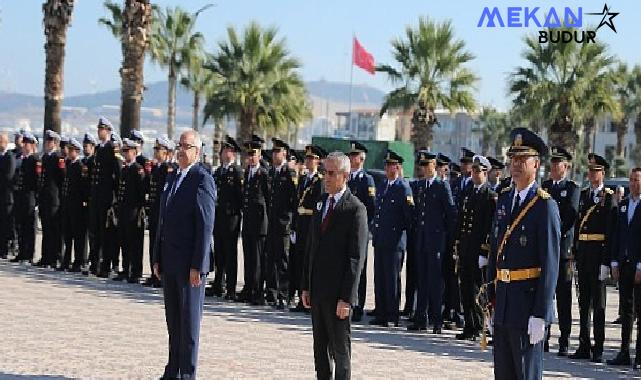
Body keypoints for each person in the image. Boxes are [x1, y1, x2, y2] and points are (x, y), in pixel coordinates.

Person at [487, 128, 560, 379]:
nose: (515, 165)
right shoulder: (505, 199)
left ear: (536, 164)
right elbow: (496, 253)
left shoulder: (545, 206)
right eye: (513, 159)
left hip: (527, 307)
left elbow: (550, 265)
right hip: (504, 304)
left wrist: (541, 314)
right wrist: (490, 300)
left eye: (522, 160)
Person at [153, 130, 216, 379]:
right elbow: (162, 219)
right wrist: (156, 255)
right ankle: (173, 371)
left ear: (197, 152)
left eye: (186, 146)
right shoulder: (173, 177)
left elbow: (205, 225)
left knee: (189, 324)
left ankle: (187, 374)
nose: (180, 150)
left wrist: (198, 266)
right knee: (173, 322)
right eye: (179, 145)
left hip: (189, 265)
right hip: (169, 260)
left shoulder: (202, 179)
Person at [301, 151, 368, 380]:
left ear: (345, 176)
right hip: (318, 291)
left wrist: (347, 298)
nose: (325, 178)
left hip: (338, 296)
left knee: (340, 353)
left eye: (330, 173)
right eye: (323, 173)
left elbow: (355, 258)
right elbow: (311, 248)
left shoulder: (355, 209)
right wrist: (306, 286)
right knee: (319, 351)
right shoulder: (320, 203)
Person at [569, 153, 616, 363]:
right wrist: (575, 254)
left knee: (599, 305)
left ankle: (598, 347)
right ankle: (584, 344)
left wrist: (606, 262)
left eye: (595, 171)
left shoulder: (608, 197)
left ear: (603, 173)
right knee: (583, 303)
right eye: (589, 170)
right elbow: (579, 227)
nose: (591, 174)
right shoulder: (585, 194)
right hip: (584, 256)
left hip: (598, 256)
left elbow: (610, 231)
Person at [408, 151, 456, 334]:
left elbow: (451, 214)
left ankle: (437, 320)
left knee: (435, 282)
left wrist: (446, 238)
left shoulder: (442, 186)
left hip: (436, 241)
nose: (424, 169)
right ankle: (420, 318)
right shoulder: (421, 186)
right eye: (422, 165)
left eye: (427, 165)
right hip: (422, 239)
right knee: (422, 280)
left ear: (434, 165)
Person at [541, 147, 579, 356]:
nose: (554, 167)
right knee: (546, 295)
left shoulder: (572, 188)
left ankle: (564, 340)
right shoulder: (545, 187)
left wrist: (554, 234)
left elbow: (571, 215)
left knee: (563, 298)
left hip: (562, 252)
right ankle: (544, 336)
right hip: (546, 251)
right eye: (553, 164)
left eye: (558, 164)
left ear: (566, 167)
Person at [454, 155, 496, 340]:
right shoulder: (469, 192)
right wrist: (457, 245)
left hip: (478, 249)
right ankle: (469, 325)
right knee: (465, 288)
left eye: (478, 171)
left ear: (486, 173)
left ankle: (480, 325)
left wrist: (484, 251)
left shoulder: (489, 195)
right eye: (473, 171)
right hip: (466, 248)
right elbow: (462, 221)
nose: (475, 174)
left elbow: (490, 226)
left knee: (476, 290)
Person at [371, 150, 414, 327]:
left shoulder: (403, 187)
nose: (388, 168)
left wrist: (398, 232)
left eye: (391, 165)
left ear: (397, 167)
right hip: (380, 238)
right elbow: (378, 210)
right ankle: (381, 312)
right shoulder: (382, 185)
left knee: (391, 279)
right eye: (386, 165)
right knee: (379, 277)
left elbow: (409, 216)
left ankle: (392, 314)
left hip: (395, 240)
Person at [607, 168, 641, 369]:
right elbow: (616, 235)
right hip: (624, 263)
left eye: (637, 180)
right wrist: (614, 262)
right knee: (626, 310)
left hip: (638, 265)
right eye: (632, 180)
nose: (634, 183)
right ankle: (624, 351)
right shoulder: (623, 205)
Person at [290, 144, 326, 312]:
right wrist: (294, 227)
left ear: (318, 161)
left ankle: (309, 299)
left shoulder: (319, 181)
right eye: (307, 158)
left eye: (312, 159)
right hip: (301, 225)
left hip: (311, 224)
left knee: (308, 263)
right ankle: (300, 297)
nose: (309, 161)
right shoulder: (303, 179)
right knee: (299, 263)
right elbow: (297, 204)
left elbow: (318, 207)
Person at [237, 135, 270, 305]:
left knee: (257, 259)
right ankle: (248, 288)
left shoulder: (263, 173)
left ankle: (258, 291)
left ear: (260, 155)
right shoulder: (248, 172)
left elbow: (268, 198)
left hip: (260, 223)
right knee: (248, 258)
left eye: (253, 153)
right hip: (248, 222)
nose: (250, 157)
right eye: (248, 154)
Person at [266, 138, 298, 309]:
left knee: (283, 261)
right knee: (270, 258)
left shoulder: (289, 173)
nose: (274, 154)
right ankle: (271, 293)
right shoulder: (273, 172)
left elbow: (295, 200)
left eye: (277, 151)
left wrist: (292, 224)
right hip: (272, 222)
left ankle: (283, 294)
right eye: (273, 151)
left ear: (284, 153)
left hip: (284, 223)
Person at [210, 136, 243, 300]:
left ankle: (230, 288)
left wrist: (236, 213)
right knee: (219, 253)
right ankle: (218, 283)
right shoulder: (218, 172)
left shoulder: (236, 172)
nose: (223, 153)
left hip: (231, 218)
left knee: (230, 254)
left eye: (227, 150)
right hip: (218, 217)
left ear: (233, 153)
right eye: (223, 150)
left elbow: (241, 196)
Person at [346, 141, 376, 321]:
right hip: (346, 229)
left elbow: (371, 207)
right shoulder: (347, 177)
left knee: (360, 268)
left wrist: (365, 227)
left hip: (360, 230)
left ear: (362, 158)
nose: (351, 158)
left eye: (354, 156)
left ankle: (359, 305)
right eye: (350, 155)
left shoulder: (367, 180)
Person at [113, 139, 145, 283]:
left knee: (134, 243)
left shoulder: (138, 169)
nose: (125, 154)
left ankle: (136, 272)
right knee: (124, 241)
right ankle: (125, 269)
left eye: (127, 151)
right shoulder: (125, 169)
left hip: (133, 211)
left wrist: (140, 210)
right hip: (123, 211)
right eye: (123, 151)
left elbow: (141, 193)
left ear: (134, 152)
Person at [143, 136, 174, 288]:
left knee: (161, 244)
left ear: (166, 152)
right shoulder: (156, 168)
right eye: (155, 149)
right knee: (153, 244)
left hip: (162, 213)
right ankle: (153, 273)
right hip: (154, 212)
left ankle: (161, 275)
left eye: (159, 149)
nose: (156, 152)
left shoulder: (168, 169)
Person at [35, 130, 65, 268]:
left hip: (54, 198)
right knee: (46, 229)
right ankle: (46, 256)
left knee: (54, 229)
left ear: (55, 143)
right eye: (46, 141)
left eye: (50, 141)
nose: (47, 143)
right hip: (44, 198)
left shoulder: (58, 157)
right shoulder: (45, 157)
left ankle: (55, 257)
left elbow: (61, 178)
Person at [59, 138, 89, 272]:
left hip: (77, 205)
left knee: (78, 236)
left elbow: (83, 187)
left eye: (71, 150)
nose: (69, 152)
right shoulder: (68, 164)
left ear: (76, 152)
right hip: (67, 204)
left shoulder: (80, 166)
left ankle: (78, 261)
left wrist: (83, 203)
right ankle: (66, 261)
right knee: (67, 234)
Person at [10, 132, 38, 263]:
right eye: (24, 143)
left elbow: (37, 181)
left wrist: (37, 198)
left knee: (29, 226)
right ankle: (21, 252)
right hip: (20, 196)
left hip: (29, 197)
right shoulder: (23, 159)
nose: (25, 145)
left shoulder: (34, 160)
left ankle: (29, 254)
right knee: (20, 225)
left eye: (27, 143)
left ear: (32, 145)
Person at [0, 133, 16, 259]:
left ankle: (4, 249)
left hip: (6, 197)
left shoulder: (9, 157)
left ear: (5, 143)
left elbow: (8, 176)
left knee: (5, 224)